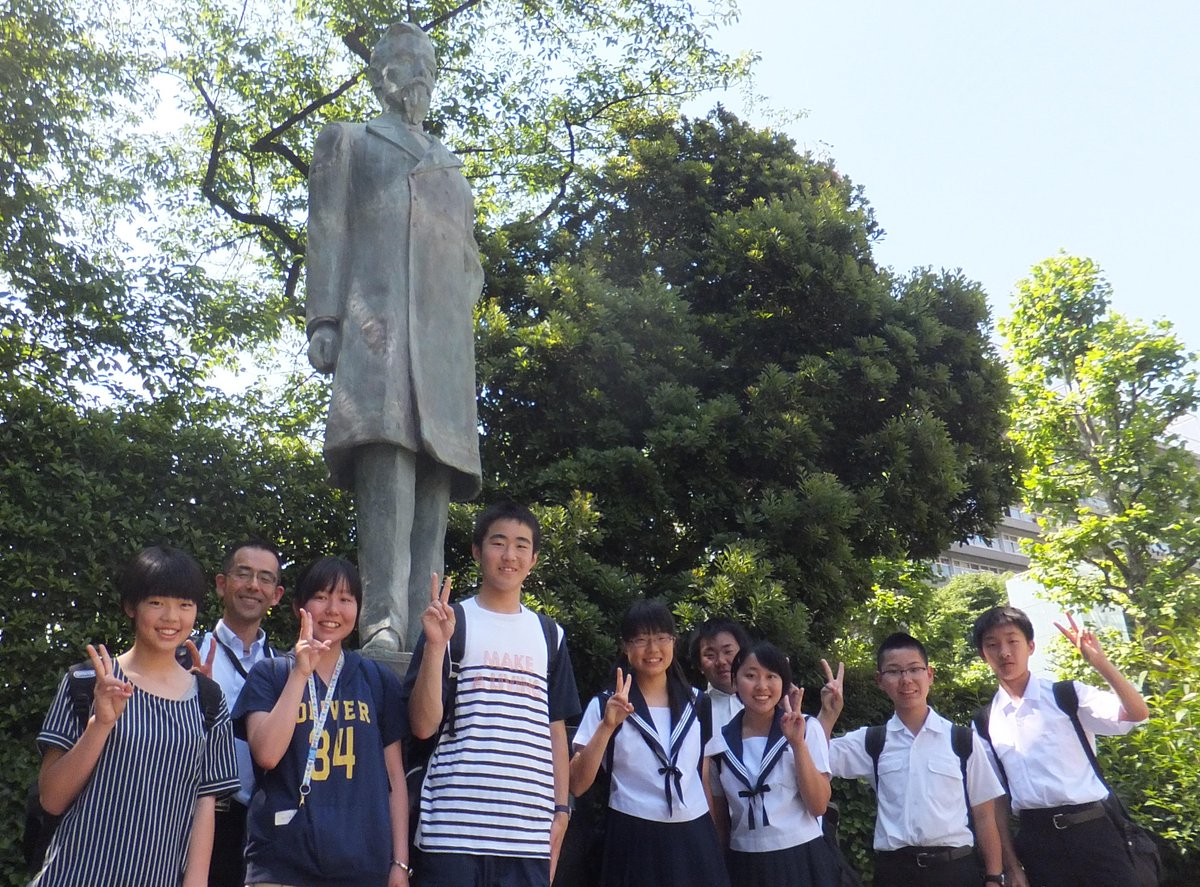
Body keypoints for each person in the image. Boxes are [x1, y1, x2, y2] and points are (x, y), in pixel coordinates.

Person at [306, 20, 485, 653]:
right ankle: (382, 620)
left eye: (428, 63)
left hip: (444, 351)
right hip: (376, 334)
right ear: (381, 73)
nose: (420, 74)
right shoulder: (349, 140)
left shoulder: (451, 165)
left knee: (434, 498)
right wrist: (324, 319)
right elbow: (327, 230)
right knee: (387, 477)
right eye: (407, 61)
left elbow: (470, 256)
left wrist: (464, 304)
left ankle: (426, 630)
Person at [31, 545, 239, 887]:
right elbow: (51, 799)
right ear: (131, 606)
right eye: (157, 602)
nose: (172, 617)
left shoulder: (207, 698)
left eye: (184, 605)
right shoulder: (87, 682)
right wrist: (100, 726)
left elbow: (205, 803)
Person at [405, 501, 581, 886]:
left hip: (527, 835)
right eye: (498, 542)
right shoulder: (452, 623)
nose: (509, 555)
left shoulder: (550, 635)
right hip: (450, 832)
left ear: (533, 558)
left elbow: (556, 730)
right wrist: (436, 647)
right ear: (477, 551)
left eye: (521, 545)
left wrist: (562, 810)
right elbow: (422, 726)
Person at [234, 557, 410, 887]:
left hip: (362, 865)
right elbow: (267, 755)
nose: (333, 609)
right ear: (298, 606)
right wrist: (301, 673)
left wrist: (399, 862)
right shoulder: (271, 674)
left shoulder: (376, 680)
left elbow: (394, 778)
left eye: (345, 599)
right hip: (282, 863)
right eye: (322, 597)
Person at [972, 606, 1150, 887]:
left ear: (1030, 646)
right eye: (992, 645)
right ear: (983, 655)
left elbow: (1137, 712)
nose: (1004, 652)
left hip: (1094, 832)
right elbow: (996, 803)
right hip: (1038, 843)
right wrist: (1012, 866)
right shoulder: (984, 722)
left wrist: (1100, 663)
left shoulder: (1066, 695)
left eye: (1012, 641)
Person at [570, 600, 730, 887]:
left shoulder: (699, 704)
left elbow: (702, 777)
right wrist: (607, 726)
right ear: (626, 647)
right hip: (632, 835)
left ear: (673, 642)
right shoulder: (606, 704)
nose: (653, 649)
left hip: (694, 837)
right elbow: (576, 783)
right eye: (641, 640)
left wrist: (714, 843)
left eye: (661, 638)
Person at [824, 632, 1004, 887]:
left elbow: (985, 815)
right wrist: (828, 715)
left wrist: (994, 877)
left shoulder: (962, 740)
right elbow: (815, 758)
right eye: (894, 672)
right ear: (880, 680)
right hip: (896, 873)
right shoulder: (872, 742)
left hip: (956, 871)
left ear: (929, 674)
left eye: (914, 669)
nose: (906, 680)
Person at [189, 540, 285, 887]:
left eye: (265, 578)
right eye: (243, 574)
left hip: (256, 825)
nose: (253, 586)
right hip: (185, 816)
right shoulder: (185, 653)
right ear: (221, 583)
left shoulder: (285, 669)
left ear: (276, 595)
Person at [706, 640, 840, 887]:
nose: (762, 686)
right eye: (750, 675)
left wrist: (798, 745)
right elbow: (721, 820)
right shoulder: (718, 743)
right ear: (735, 682)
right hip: (744, 863)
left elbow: (819, 805)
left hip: (802, 858)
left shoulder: (807, 728)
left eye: (772, 676)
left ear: (784, 683)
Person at [691, 617, 752, 733]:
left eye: (728, 652)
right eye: (710, 655)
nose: (721, 661)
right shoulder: (693, 711)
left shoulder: (765, 704)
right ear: (699, 665)